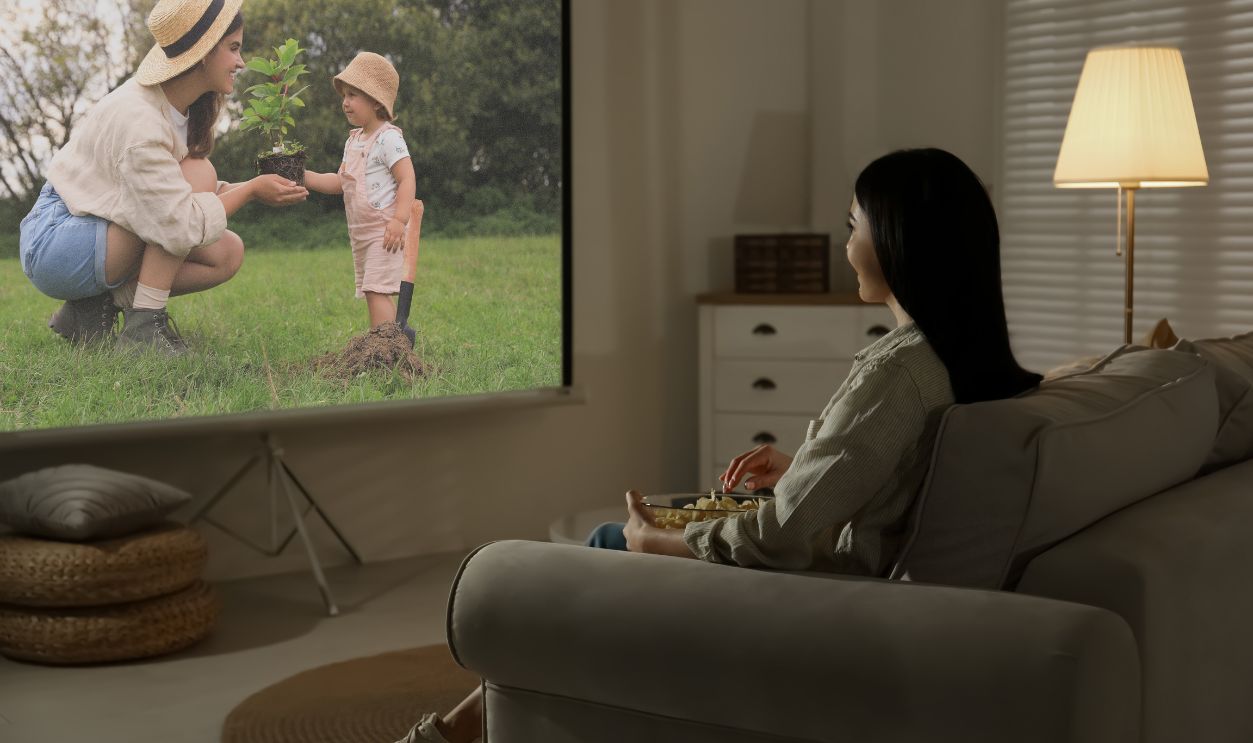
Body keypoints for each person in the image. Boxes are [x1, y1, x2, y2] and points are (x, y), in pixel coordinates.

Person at [394, 147, 1043, 743]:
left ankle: (455, 732)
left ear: (898, 241)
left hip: (819, 599)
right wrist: (806, 469)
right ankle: (462, 727)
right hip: (851, 581)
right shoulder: (962, 361)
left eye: (853, 225)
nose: (843, 243)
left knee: (607, 547)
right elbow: (905, 477)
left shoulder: (896, 373)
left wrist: (661, 542)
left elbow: (779, 534)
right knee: (626, 542)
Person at [17, 0, 308, 356]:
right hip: (55, 242)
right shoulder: (140, 120)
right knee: (199, 174)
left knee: (228, 253)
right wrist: (248, 192)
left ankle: (94, 308)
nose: (241, 62)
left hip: (95, 225)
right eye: (233, 49)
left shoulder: (176, 105)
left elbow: (161, 191)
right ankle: (144, 326)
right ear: (202, 54)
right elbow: (176, 220)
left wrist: (247, 188)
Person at [304, 52, 418, 330]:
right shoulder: (354, 140)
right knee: (372, 290)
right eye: (344, 95)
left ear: (376, 101)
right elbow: (341, 182)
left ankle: (385, 346)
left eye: (353, 95)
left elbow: (407, 178)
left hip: (385, 231)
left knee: (376, 289)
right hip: (362, 234)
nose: (345, 102)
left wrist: (399, 220)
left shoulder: (388, 138)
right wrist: (303, 176)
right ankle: (388, 340)